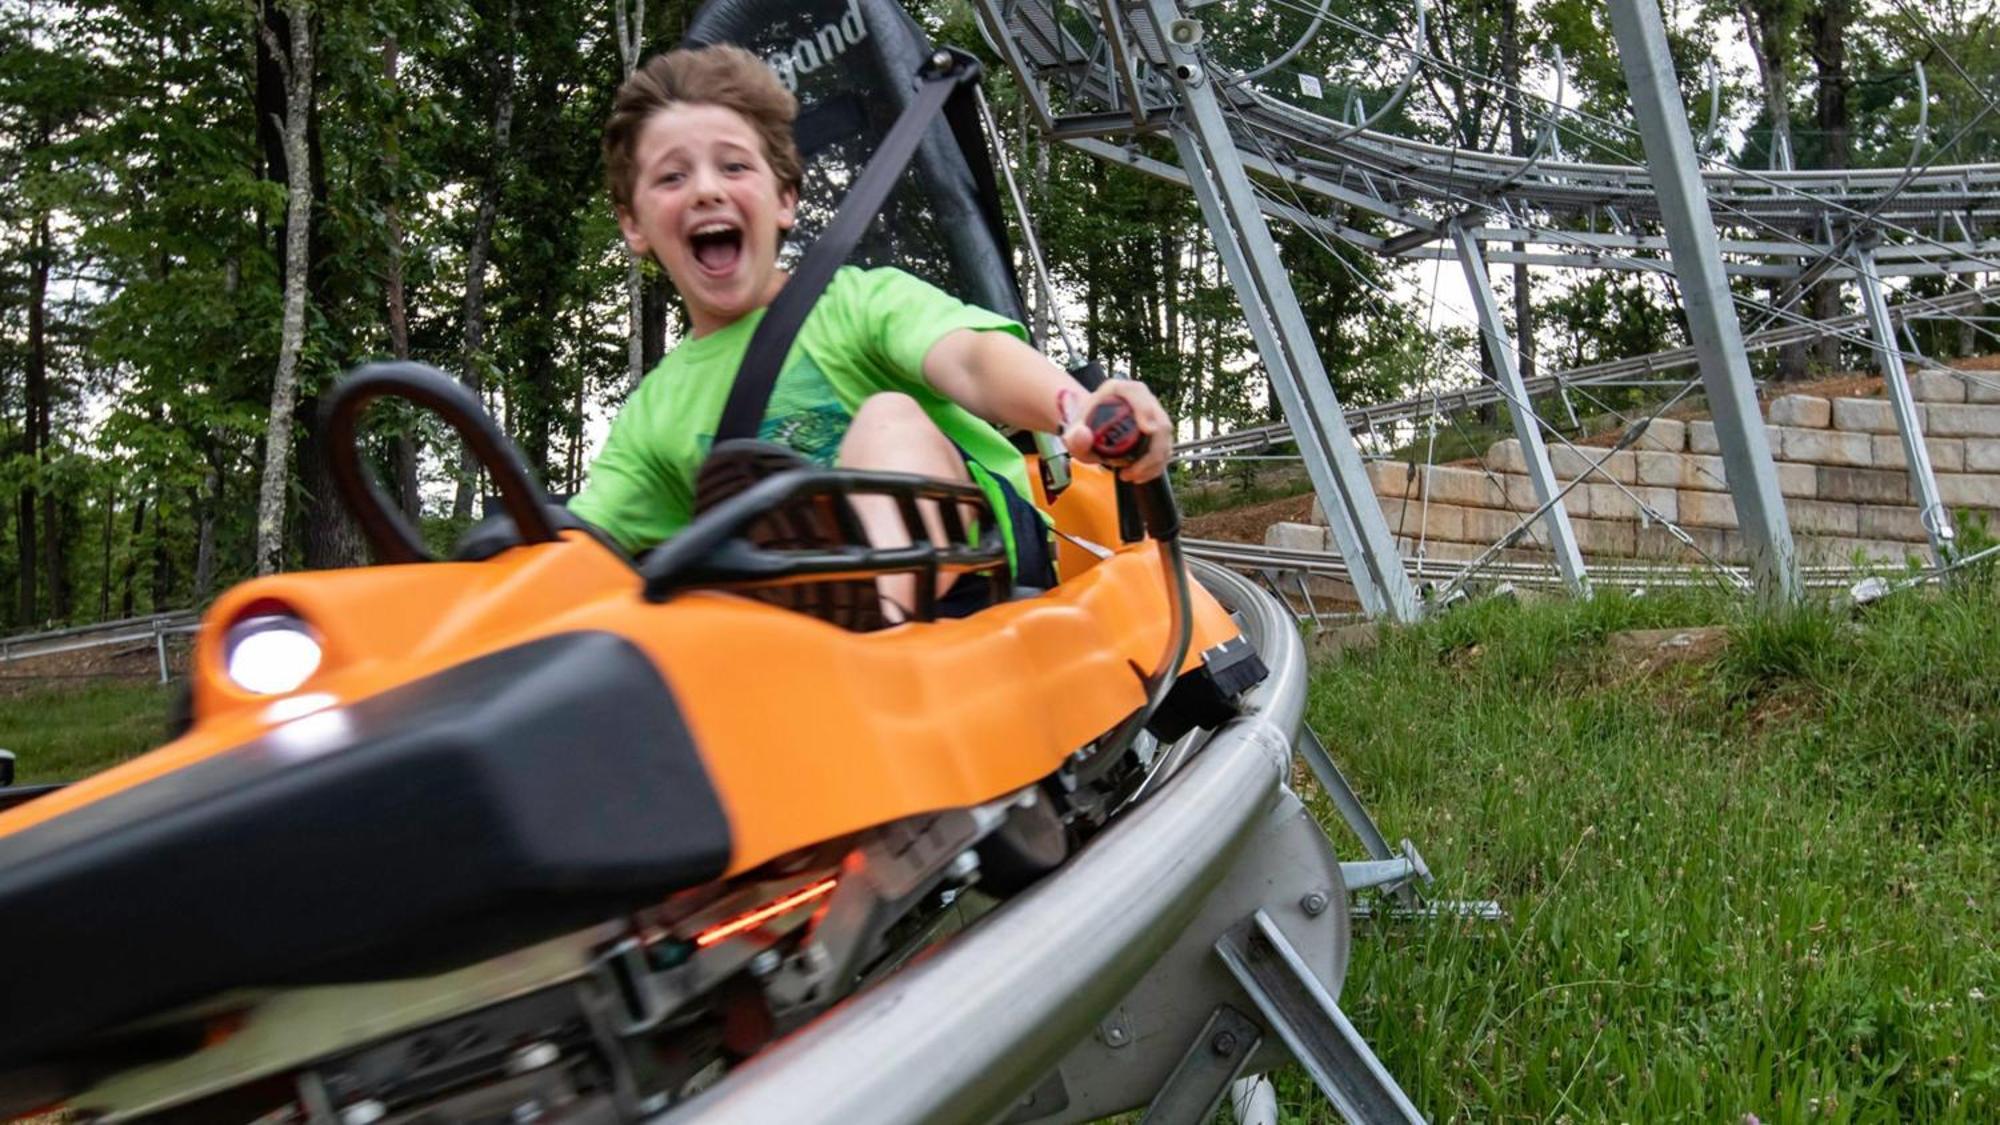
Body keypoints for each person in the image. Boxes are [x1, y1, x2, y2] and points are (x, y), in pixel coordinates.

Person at [568, 44, 1171, 618]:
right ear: (635, 224)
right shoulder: (652, 413)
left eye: (733, 166)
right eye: (672, 178)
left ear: (784, 200)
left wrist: (1076, 407)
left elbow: (973, 361)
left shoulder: (857, 302)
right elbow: (582, 544)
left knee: (889, 417)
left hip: (977, 581)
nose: (705, 189)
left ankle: (871, 623)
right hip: (782, 628)